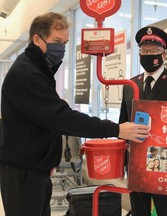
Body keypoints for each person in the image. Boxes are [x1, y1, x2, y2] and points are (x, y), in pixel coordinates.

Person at [0, 12, 150, 216]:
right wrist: (117, 129)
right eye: (56, 41)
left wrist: (49, 162)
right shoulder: (28, 74)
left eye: (65, 42)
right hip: (23, 172)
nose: (61, 48)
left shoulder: (39, 68)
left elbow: (44, 121)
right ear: (37, 39)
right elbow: (61, 118)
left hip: (35, 168)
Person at [119, 26, 167, 216]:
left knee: (166, 211)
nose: (148, 54)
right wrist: (122, 162)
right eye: (144, 51)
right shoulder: (130, 84)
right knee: (139, 211)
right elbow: (123, 122)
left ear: (164, 54)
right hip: (136, 161)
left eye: (154, 51)